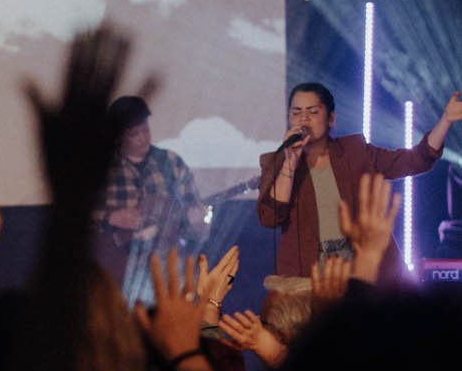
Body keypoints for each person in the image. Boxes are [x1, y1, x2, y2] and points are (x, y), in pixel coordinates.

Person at [256, 79, 462, 280]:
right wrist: (290, 163)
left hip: (360, 273)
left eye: (313, 112)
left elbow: (415, 159)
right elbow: (270, 217)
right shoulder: (277, 162)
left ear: (331, 118)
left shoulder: (355, 152)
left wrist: (445, 120)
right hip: (309, 279)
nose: (303, 119)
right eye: (296, 113)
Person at [95, 94, 205, 303]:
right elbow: (76, 215)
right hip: (119, 265)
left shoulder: (171, 162)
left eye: (145, 129)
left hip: (167, 260)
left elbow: (197, 224)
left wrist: (197, 222)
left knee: (193, 295)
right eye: (134, 134)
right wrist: (111, 217)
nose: (143, 138)